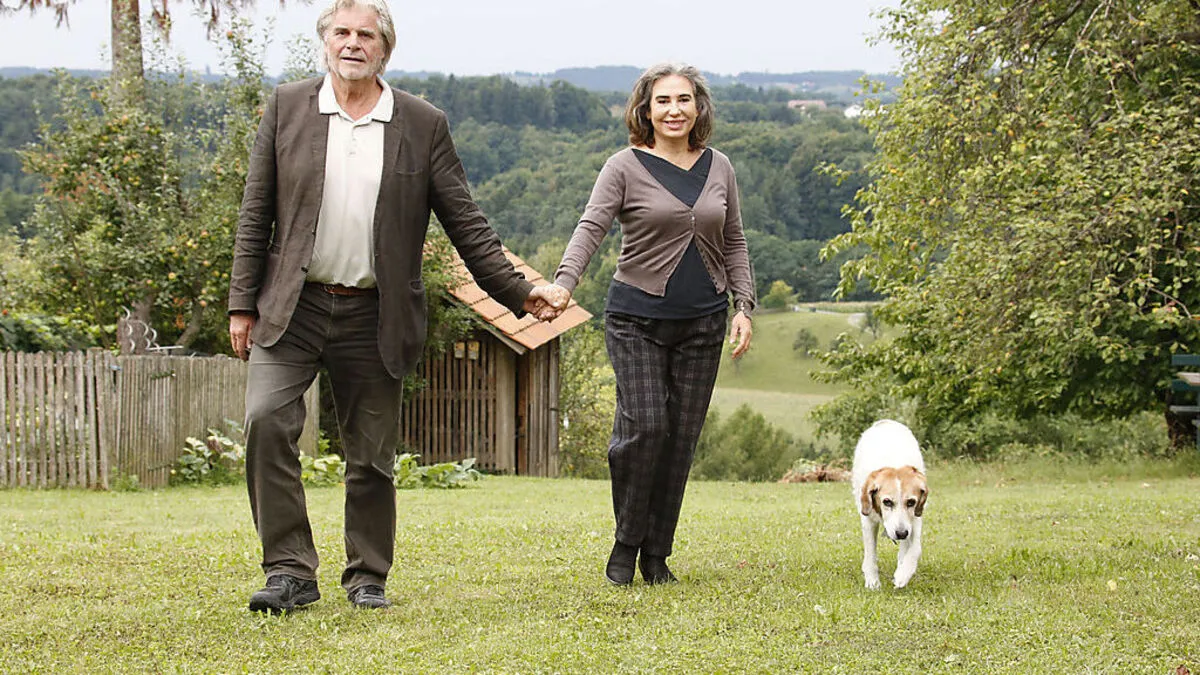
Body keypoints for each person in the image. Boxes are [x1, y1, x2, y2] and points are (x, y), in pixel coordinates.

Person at [228, 0, 562, 613]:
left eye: (365, 34)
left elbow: (466, 222)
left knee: (371, 454)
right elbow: (256, 213)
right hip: (291, 307)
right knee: (267, 423)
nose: (351, 43)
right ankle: (290, 572)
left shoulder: (421, 123)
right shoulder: (287, 107)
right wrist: (240, 305)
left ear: (384, 49)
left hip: (375, 315)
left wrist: (519, 291)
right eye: (340, 32)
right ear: (325, 42)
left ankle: (366, 575)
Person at [542, 63, 755, 585]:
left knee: (679, 440)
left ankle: (656, 554)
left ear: (699, 108)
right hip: (635, 318)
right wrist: (563, 283)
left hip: (703, 322)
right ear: (646, 109)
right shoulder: (624, 166)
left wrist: (744, 306)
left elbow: (734, 241)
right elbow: (591, 227)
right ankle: (625, 542)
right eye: (663, 101)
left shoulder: (719, 166)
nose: (675, 110)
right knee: (645, 429)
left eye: (684, 100)